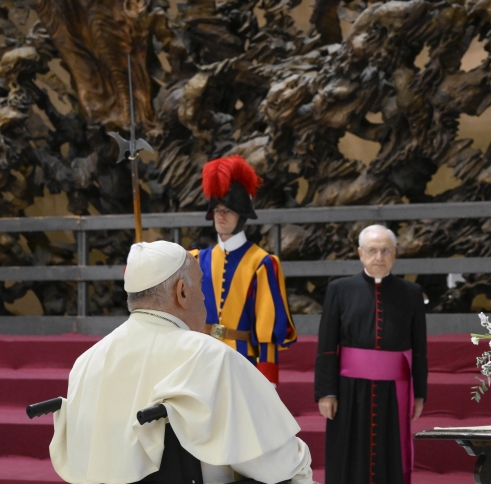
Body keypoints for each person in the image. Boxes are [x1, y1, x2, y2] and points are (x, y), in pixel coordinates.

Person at [49, 240, 314, 484]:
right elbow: (276, 464)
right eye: (201, 285)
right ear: (182, 292)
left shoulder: (86, 362)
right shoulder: (211, 357)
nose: (204, 296)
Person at [314, 224, 428, 484]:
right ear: (360, 253)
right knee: (347, 452)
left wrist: (419, 393)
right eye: (373, 250)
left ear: (395, 253)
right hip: (348, 390)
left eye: (385, 250)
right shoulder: (339, 290)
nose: (379, 257)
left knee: (390, 454)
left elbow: (420, 349)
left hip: (394, 393)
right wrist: (326, 392)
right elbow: (327, 345)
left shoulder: (411, 293)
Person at [190, 155, 297, 385]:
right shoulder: (197, 259)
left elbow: (267, 328)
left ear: (242, 215)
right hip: (201, 359)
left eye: (228, 209)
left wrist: (269, 380)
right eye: (217, 209)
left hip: (243, 362)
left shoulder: (262, 263)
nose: (221, 215)